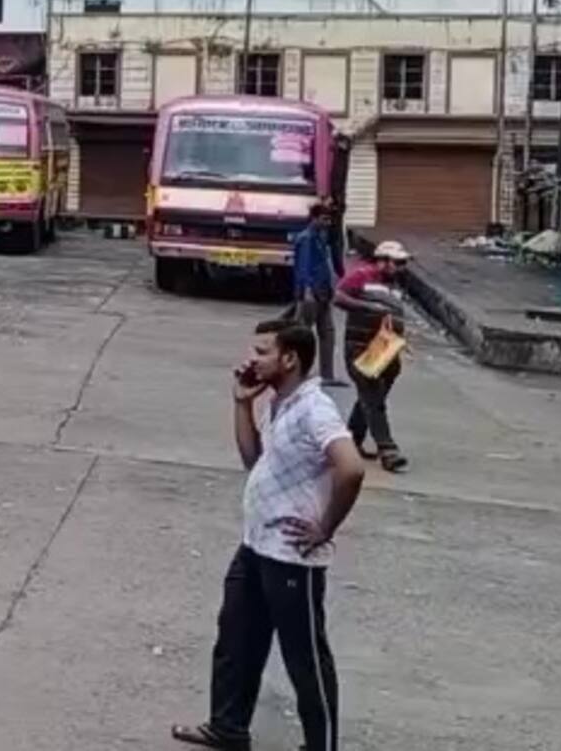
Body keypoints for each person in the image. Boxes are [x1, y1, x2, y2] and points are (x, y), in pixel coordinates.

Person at [172, 320, 366, 751]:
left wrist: (325, 527)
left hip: (292, 556)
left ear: (290, 358)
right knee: (236, 638)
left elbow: (351, 468)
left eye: (262, 352)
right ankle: (228, 728)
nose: (251, 360)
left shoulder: (315, 409)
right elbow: (252, 460)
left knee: (305, 659)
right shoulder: (279, 403)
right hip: (257, 544)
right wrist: (242, 405)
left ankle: (323, 746)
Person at [333, 239, 413, 473]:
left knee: (371, 398)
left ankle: (351, 440)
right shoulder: (361, 276)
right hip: (360, 346)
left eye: (402, 263)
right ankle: (388, 449)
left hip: (386, 349)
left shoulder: (397, 286)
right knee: (372, 396)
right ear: (382, 261)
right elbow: (339, 297)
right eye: (396, 262)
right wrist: (367, 308)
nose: (400, 267)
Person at [289, 202, 344, 387]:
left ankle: (326, 374)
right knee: (303, 334)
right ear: (314, 218)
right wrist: (306, 291)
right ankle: (296, 372)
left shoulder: (321, 237)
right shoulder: (307, 238)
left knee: (327, 333)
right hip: (311, 292)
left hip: (323, 292)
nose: (327, 223)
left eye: (329, 219)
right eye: (324, 219)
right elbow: (303, 268)